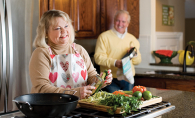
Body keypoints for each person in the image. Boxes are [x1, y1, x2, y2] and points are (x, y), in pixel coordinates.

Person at [29, 10, 113, 99]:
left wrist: (101, 80)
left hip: (80, 107)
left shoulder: (79, 49)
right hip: (52, 108)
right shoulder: (41, 53)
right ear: (46, 32)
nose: (64, 31)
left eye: (66, 26)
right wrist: (74, 93)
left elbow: (91, 76)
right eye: (57, 28)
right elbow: (41, 88)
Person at [94, 10, 141, 93]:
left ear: (128, 24)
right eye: (118, 20)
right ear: (114, 20)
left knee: (127, 104)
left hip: (128, 79)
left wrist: (134, 54)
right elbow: (98, 58)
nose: (120, 24)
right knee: (114, 103)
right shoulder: (103, 37)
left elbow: (138, 61)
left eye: (123, 21)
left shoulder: (133, 39)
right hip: (109, 80)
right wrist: (115, 62)